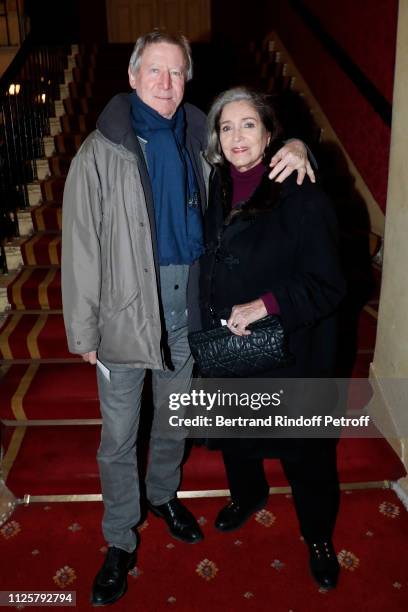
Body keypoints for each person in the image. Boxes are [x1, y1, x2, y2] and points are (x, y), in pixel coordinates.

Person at [61, 31, 312, 607]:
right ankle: (120, 538)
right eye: (155, 71)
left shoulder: (203, 138)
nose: (167, 84)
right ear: (132, 76)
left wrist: (298, 143)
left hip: (190, 308)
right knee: (119, 437)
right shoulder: (100, 150)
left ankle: (162, 495)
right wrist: (84, 330)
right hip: (125, 314)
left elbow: (256, 155)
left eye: (176, 73)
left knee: (175, 416)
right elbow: (78, 248)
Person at [199, 87, 346, 589]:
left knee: (306, 455)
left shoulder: (301, 191)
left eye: (247, 125)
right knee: (239, 438)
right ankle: (248, 495)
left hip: (292, 351)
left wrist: (267, 304)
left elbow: (331, 283)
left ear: (269, 133)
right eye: (226, 127)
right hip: (232, 346)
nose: (236, 137)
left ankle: (319, 536)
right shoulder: (216, 185)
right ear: (217, 140)